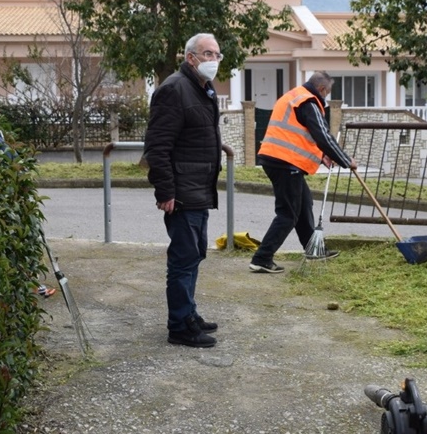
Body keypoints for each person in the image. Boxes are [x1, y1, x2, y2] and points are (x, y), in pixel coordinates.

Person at [144, 33, 223, 348]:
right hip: (182, 190)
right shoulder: (175, 89)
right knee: (182, 258)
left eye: (217, 54)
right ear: (191, 57)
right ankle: (179, 325)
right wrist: (165, 191)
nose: (213, 60)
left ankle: (188, 313)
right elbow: (158, 146)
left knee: (194, 255)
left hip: (198, 188)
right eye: (207, 54)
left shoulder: (201, 88)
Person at [249, 71, 356, 274]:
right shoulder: (308, 101)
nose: (325, 98)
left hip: (278, 159)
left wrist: (323, 155)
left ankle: (313, 250)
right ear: (322, 89)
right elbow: (322, 134)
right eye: (327, 93)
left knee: (304, 202)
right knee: (288, 213)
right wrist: (345, 160)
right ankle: (262, 258)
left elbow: (298, 134)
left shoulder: (293, 96)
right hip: (285, 162)